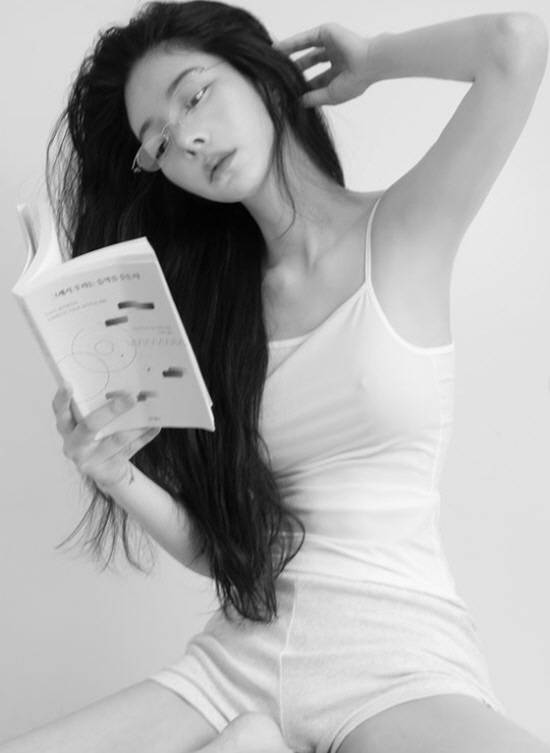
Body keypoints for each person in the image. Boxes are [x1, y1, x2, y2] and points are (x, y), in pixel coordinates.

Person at [3, 2, 549, 752]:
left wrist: (376, 59)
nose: (187, 139)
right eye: (158, 143)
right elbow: (225, 548)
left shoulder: (405, 230)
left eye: (195, 95)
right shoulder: (207, 315)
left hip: (396, 661)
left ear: (259, 73)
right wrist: (115, 472)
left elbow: (518, 43)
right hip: (235, 664)